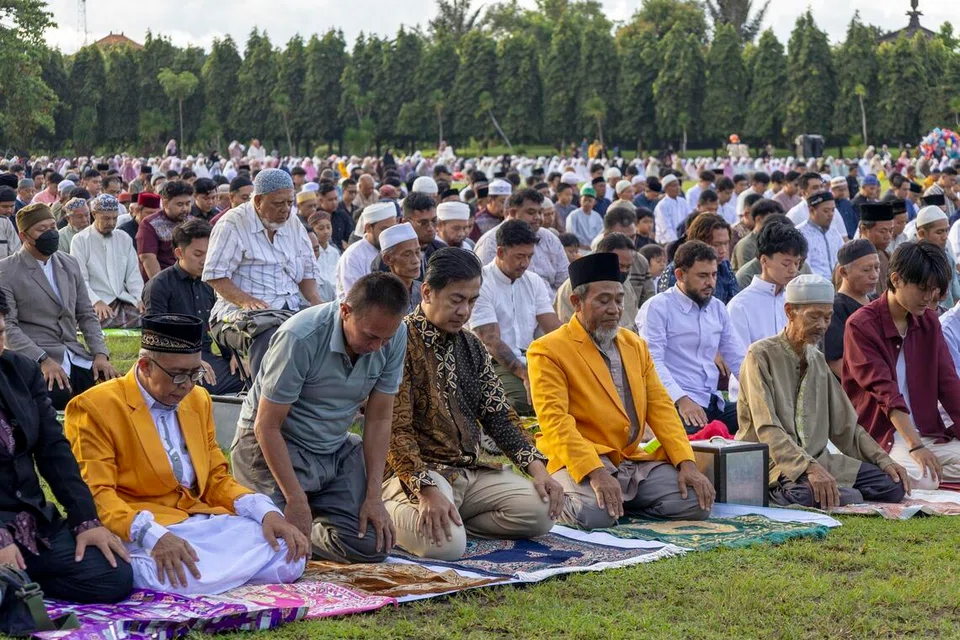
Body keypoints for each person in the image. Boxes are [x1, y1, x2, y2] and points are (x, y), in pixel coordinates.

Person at [65, 314, 309, 594]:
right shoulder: (94, 407)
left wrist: (266, 513)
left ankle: (207, 576)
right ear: (144, 366)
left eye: (196, 373)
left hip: (197, 523)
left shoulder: (197, 399)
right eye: (179, 375)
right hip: (141, 525)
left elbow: (216, 478)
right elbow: (98, 494)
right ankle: (215, 574)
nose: (188, 385)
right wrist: (153, 536)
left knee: (288, 553)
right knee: (160, 572)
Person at [382, 249, 560, 560]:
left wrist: (539, 469)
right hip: (416, 474)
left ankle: (451, 519)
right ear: (427, 292)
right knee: (446, 546)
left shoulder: (473, 346)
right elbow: (394, 429)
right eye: (456, 299)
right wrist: (426, 489)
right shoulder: (398, 341)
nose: (465, 311)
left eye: (472, 301)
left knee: (542, 513)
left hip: (467, 472)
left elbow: (499, 415)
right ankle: (385, 509)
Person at [231, 273, 409, 564]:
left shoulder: (394, 335)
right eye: (370, 336)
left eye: (386, 338)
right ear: (345, 311)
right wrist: (296, 499)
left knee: (372, 545)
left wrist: (374, 496)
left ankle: (309, 534)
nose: (378, 347)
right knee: (271, 554)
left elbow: (378, 419)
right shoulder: (300, 336)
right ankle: (291, 522)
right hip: (274, 447)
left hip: (333, 447)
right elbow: (266, 426)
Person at [528, 252, 714, 529]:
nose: (614, 309)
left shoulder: (634, 344)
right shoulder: (548, 349)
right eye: (603, 301)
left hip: (629, 460)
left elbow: (661, 407)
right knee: (593, 515)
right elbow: (556, 422)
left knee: (695, 503)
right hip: (579, 458)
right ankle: (567, 494)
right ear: (577, 302)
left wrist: (686, 462)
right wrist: (596, 472)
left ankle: (619, 500)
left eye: (618, 299)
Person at [0, 286, 132, 602]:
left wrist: (85, 520)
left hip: (29, 522)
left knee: (112, 576)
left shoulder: (21, 369)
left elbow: (54, 450)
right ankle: (14, 587)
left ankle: (17, 586)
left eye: (1, 333)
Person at [736, 274, 910, 508]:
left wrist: (884, 461)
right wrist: (807, 467)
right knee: (808, 495)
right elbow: (767, 427)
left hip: (820, 462)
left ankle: (835, 492)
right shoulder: (759, 355)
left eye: (827, 317)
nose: (822, 325)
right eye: (814, 316)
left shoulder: (818, 360)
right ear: (789, 312)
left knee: (892, 485)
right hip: (774, 463)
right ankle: (793, 493)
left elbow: (847, 428)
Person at [843, 241, 960, 488]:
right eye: (922, 289)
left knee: (929, 473)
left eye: (934, 291)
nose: (928, 298)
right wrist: (915, 445)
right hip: (882, 437)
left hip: (927, 433)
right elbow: (885, 393)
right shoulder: (861, 325)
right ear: (896, 279)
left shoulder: (929, 321)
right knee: (925, 478)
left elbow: (949, 385)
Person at [203, 169, 322, 382]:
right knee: (271, 335)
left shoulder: (293, 224)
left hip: (289, 309)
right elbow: (215, 275)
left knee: (326, 330)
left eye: (289, 202)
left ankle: (312, 404)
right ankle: (264, 402)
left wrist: (316, 302)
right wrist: (246, 301)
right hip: (236, 314)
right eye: (278, 203)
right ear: (258, 201)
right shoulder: (232, 223)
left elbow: (307, 273)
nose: (286, 209)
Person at [0, 203, 118, 410]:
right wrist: (42, 359)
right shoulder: (7, 271)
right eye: (41, 230)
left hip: (75, 353)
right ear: (24, 236)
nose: (50, 234)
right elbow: (8, 327)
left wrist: (100, 354)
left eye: (52, 227)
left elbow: (86, 314)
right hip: (37, 357)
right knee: (60, 397)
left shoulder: (69, 263)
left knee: (112, 393)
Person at [637, 241, 745, 435]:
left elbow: (737, 358)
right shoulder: (658, 308)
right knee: (701, 443)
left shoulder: (717, 307)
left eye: (713, 275)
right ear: (680, 275)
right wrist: (682, 399)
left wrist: (761, 398)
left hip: (712, 401)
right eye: (702, 276)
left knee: (762, 420)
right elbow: (652, 363)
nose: (710, 282)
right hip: (675, 403)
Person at [143, 219, 244, 396]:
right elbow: (155, 338)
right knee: (199, 384)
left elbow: (220, 323)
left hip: (205, 355)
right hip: (173, 360)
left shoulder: (211, 283)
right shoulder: (159, 285)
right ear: (179, 253)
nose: (205, 260)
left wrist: (235, 355)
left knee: (249, 377)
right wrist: (189, 362)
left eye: (209, 253)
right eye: (198, 254)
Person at [470, 220, 561, 416]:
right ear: (501, 252)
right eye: (519, 257)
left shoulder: (533, 281)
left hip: (531, 358)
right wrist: (525, 374)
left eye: (529, 257)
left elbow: (553, 328)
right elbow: (491, 342)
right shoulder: (481, 282)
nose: (525, 263)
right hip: (494, 361)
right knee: (526, 401)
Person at [727, 219, 807, 349]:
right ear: (764, 260)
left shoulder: (795, 301)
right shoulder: (740, 306)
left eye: (797, 263)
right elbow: (739, 361)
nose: (793, 270)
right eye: (786, 263)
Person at [69, 194, 144, 329]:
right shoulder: (80, 240)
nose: (111, 223)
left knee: (147, 317)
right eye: (106, 218)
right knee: (89, 323)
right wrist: (96, 301)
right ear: (94, 214)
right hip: (94, 303)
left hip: (121, 300)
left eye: (114, 218)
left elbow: (133, 274)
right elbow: (80, 280)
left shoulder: (123, 238)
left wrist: (138, 298)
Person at [474, 188, 570, 292]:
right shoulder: (491, 242)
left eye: (540, 212)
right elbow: (484, 287)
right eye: (531, 212)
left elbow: (564, 280)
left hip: (551, 303)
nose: (538, 217)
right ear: (513, 212)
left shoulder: (548, 237)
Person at [555, 233, 639, 332]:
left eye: (628, 267)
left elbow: (633, 323)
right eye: (619, 266)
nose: (624, 271)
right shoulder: (574, 287)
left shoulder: (624, 283)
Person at [824, 240, 880, 378]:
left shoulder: (877, 302)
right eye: (866, 270)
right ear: (844, 272)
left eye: (877, 268)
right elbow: (835, 360)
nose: (874, 275)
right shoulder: (836, 308)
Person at [657, 213, 740, 304]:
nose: (723, 250)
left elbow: (735, 302)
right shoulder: (675, 272)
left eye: (726, 243)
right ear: (700, 242)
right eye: (716, 245)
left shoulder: (725, 267)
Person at [372, 193, 443, 278]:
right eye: (423, 223)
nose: (430, 228)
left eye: (434, 221)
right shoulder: (390, 257)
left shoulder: (442, 251)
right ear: (405, 222)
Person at [336, 202, 397, 301]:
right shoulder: (353, 256)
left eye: (392, 228)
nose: (389, 234)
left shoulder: (396, 248)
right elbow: (355, 299)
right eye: (384, 229)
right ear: (368, 228)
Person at [138, 180, 194, 281]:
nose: (185, 209)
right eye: (180, 204)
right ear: (165, 203)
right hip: (165, 281)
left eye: (188, 204)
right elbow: (148, 258)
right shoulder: (150, 224)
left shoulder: (193, 222)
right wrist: (161, 287)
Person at [913, 205, 960, 309]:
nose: (945, 237)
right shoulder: (912, 261)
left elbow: (956, 295)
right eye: (939, 232)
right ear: (922, 233)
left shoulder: (947, 258)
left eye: (946, 231)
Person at [796, 191, 843, 280]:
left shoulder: (834, 233)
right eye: (826, 211)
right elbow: (804, 269)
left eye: (833, 210)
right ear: (812, 211)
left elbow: (843, 259)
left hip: (838, 285)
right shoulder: (800, 234)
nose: (831, 214)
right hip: (814, 287)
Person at [377, 222, 423, 314]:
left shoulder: (423, 291)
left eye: (418, 252)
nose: (416, 260)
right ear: (388, 259)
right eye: (407, 254)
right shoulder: (380, 295)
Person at [788, 172, 848, 240]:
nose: (820, 190)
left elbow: (844, 237)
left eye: (821, 186)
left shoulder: (832, 209)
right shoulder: (795, 214)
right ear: (804, 193)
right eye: (815, 188)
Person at [731, 199, 783, 271]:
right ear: (759, 219)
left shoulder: (774, 241)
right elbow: (749, 274)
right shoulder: (746, 245)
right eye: (774, 220)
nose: (778, 225)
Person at [653, 174, 688, 245]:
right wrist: (676, 243)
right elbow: (665, 228)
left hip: (682, 241)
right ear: (666, 188)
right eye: (674, 186)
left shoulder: (683, 201)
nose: (678, 188)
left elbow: (688, 220)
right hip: (666, 242)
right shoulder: (662, 206)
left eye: (678, 185)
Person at [566, 185, 603, 250]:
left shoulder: (597, 216)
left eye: (590, 201)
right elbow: (571, 234)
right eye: (585, 200)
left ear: (594, 202)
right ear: (580, 201)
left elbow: (600, 233)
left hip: (595, 248)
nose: (587, 203)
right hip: (578, 248)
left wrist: (594, 246)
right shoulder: (573, 215)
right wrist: (583, 246)